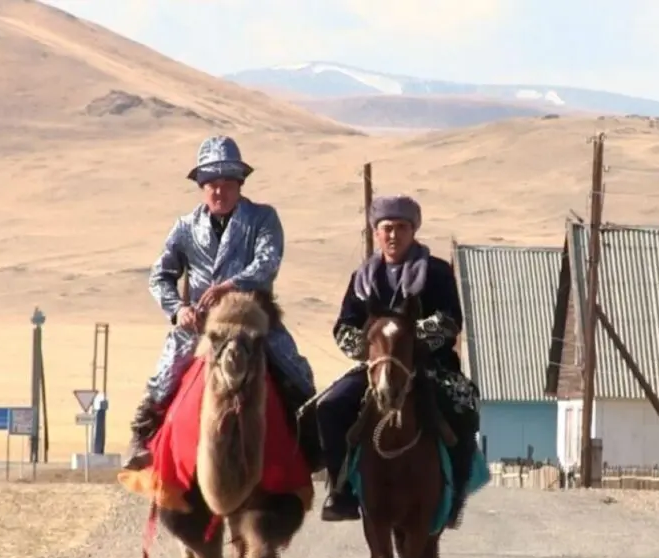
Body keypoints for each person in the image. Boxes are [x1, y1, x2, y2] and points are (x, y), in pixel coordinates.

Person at [123, 135, 319, 473]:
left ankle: (312, 443)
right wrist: (178, 310)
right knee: (165, 374)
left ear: (240, 185)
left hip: (253, 319)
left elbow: (268, 261)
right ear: (202, 187)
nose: (219, 191)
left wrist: (231, 285)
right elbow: (160, 276)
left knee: (295, 371)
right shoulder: (185, 227)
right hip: (201, 324)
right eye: (212, 183)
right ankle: (143, 439)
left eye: (227, 183)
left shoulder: (263, 218)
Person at [300, 194, 481, 527]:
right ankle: (341, 491)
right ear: (376, 232)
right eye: (387, 228)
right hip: (377, 366)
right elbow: (344, 326)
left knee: (464, 407)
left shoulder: (437, 272)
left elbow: (451, 320)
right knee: (329, 407)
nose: (394, 235)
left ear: (413, 231)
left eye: (401, 227)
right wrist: (371, 347)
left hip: (431, 366)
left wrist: (408, 339)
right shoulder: (362, 278)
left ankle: (453, 495)